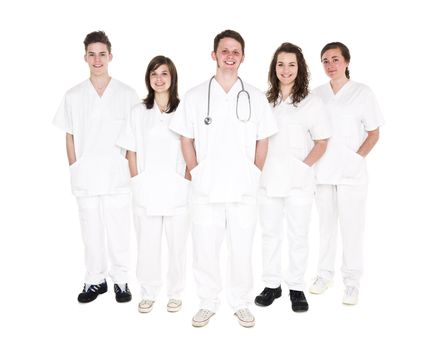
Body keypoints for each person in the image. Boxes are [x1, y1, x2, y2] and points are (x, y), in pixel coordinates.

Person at [169, 29, 278, 328]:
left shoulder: (255, 97)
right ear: (214, 54)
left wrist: (255, 173)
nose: (230, 56)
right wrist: (195, 170)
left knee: (242, 249)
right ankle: (207, 302)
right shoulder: (194, 96)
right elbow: (186, 138)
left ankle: (241, 302)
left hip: (243, 188)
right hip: (206, 188)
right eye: (225, 50)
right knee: (205, 248)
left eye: (236, 51)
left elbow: (263, 140)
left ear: (242, 57)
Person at [53, 31, 138, 303]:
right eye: (92, 54)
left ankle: (121, 281)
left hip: (117, 176)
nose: (97, 59)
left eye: (102, 54)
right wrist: (74, 166)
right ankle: (95, 280)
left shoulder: (126, 93)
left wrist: (131, 170)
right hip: (86, 175)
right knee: (90, 230)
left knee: (119, 230)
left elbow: (135, 136)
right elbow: (69, 135)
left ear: (110, 56)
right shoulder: (74, 95)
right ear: (85, 57)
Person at [254, 43, 331, 312]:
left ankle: (296, 287)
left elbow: (322, 142)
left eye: (291, 65)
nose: (285, 70)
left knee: (298, 235)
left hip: (299, 182)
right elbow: (256, 140)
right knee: (269, 234)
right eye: (280, 64)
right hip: (268, 180)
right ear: (273, 69)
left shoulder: (312, 102)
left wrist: (303, 167)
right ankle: (272, 284)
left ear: (300, 68)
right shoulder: (264, 101)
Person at [309, 42, 384, 305]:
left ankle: (351, 282)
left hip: (351, 174)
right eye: (325, 60)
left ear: (347, 62)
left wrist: (356, 158)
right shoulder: (316, 94)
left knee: (352, 228)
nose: (330, 65)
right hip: (323, 173)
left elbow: (374, 133)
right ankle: (324, 275)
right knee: (325, 227)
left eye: (335, 59)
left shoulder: (362, 93)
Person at [116, 55, 190, 314]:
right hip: (146, 188)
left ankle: (176, 293)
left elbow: (192, 147)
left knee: (178, 244)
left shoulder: (184, 110)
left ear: (172, 78)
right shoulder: (139, 112)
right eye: (154, 74)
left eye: (164, 74)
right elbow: (131, 150)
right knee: (147, 243)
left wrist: (187, 179)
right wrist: (136, 180)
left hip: (177, 187)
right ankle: (148, 291)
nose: (159, 79)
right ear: (148, 79)